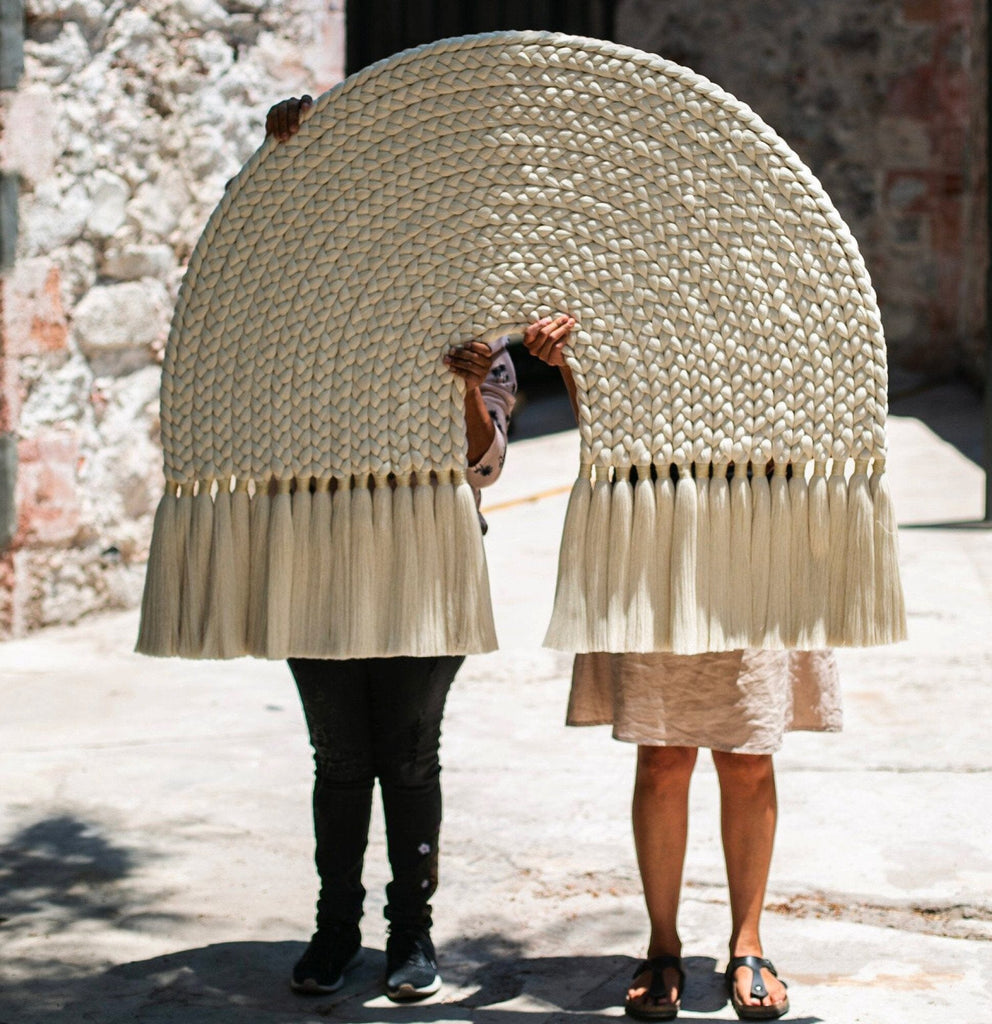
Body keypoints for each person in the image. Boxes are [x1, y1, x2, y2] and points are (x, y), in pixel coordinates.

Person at [265, 95, 563, 1002]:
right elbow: (251, 269)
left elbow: (484, 466)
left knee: (407, 755)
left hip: (431, 564)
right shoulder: (307, 325)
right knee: (338, 759)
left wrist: (467, 386)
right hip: (321, 557)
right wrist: (281, 157)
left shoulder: (476, 336)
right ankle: (335, 931)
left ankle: (410, 935)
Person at [523, 317, 842, 1022]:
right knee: (662, 754)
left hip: (756, 526)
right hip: (652, 529)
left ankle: (748, 941)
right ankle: (662, 943)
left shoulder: (775, 294)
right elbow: (606, 423)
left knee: (748, 753)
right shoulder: (631, 291)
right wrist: (567, 362)